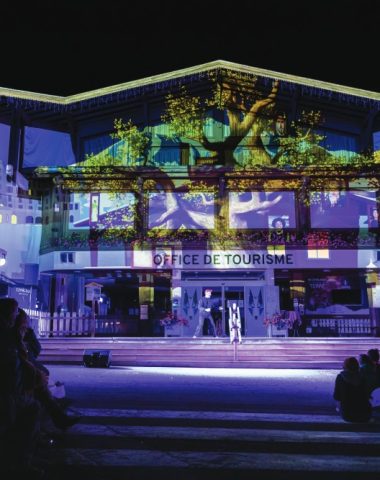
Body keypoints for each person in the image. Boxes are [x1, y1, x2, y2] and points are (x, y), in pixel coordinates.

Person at [13, 308, 80, 432]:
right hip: (14, 390)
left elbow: (35, 352)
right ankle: (56, 419)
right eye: (24, 326)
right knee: (38, 398)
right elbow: (20, 367)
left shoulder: (19, 340)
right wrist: (37, 376)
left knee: (42, 386)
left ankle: (57, 417)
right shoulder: (13, 343)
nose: (25, 328)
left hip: (20, 383)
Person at [0, 297, 44, 477]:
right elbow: (16, 363)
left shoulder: (12, 333)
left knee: (33, 406)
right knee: (30, 410)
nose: (18, 314)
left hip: (12, 390)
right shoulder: (7, 334)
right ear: (8, 314)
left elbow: (33, 352)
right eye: (15, 311)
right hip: (7, 392)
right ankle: (19, 463)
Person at [333, 356, 372, 423]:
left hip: (348, 415)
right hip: (364, 414)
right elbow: (367, 394)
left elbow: (336, 396)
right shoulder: (362, 377)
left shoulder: (340, 377)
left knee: (339, 405)